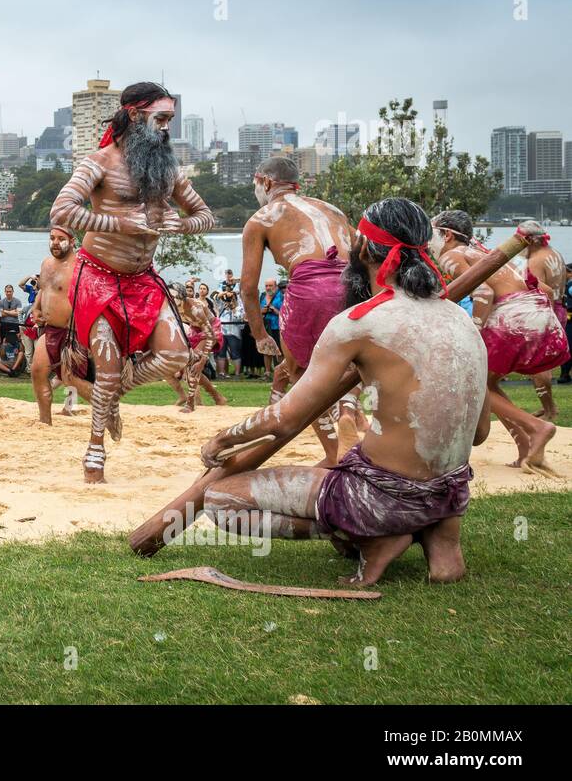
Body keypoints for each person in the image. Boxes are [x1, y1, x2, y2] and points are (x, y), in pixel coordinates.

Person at [199, 198, 490, 587]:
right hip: (451, 495)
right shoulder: (463, 321)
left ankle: (372, 534)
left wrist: (222, 439)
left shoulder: (358, 323)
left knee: (219, 501)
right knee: (366, 458)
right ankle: (438, 537)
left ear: (365, 250)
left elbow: (285, 419)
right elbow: (481, 433)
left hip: (380, 498)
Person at [49, 80, 214, 481]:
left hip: (143, 279)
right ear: (136, 116)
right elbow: (61, 210)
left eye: (170, 120)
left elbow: (206, 217)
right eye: (161, 119)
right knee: (105, 372)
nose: (166, 128)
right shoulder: (99, 162)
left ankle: (110, 397)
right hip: (98, 277)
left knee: (177, 356)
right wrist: (118, 222)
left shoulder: (167, 170)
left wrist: (183, 224)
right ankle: (94, 450)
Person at [238, 155, 355, 466]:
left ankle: (334, 452)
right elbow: (362, 256)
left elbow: (248, 288)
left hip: (311, 287)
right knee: (352, 363)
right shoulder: (333, 210)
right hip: (351, 283)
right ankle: (349, 412)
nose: (255, 193)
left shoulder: (262, 218)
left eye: (255, 186)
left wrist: (260, 335)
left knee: (301, 371)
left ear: (264, 182)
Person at [431, 210, 566, 475]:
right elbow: (547, 292)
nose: (428, 242)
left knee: (479, 382)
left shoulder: (450, 255)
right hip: (536, 313)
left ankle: (538, 427)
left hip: (512, 316)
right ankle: (526, 448)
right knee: (488, 383)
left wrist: (475, 330)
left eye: (431, 234)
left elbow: (483, 291)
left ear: (446, 234)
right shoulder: (488, 254)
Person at [29, 225, 94, 424]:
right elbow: (44, 289)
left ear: (72, 241)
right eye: (52, 238)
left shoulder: (81, 266)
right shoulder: (46, 264)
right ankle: (44, 420)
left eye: (60, 238)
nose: (55, 242)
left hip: (72, 332)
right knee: (37, 371)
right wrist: (37, 309)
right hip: (50, 330)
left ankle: (105, 406)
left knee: (70, 378)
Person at [522, 234, 567, 420]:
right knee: (541, 364)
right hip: (559, 309)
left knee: (538, 366)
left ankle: (550, 410)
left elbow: (541, 292)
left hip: (544, 311)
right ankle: (548, 407)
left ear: (530, 241)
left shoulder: (535, 260)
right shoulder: (556, 254)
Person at [170, 283, 225, 411]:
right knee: (190, 366)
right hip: (196, 330)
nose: (171, 299)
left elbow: (210, 334)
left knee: (195, 362)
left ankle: (190, 404)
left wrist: (203, 360)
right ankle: (217, 397)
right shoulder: (173, 306)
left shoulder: (196, 308)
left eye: (174, 296)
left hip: (211, 329)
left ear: (182, 296)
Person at [258, 277, 284, 377]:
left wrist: (275, 310)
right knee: (267, 349)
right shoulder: (262, 296)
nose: (268, 288)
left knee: (280, 350)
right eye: (266, 286)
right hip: (265, 326)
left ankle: (281, 371)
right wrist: (262, 311)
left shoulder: (281, 296)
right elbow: (257, 311)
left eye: (270, 285)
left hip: (277, 326)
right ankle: (267, 372)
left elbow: (285, 312)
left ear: (276, 286)